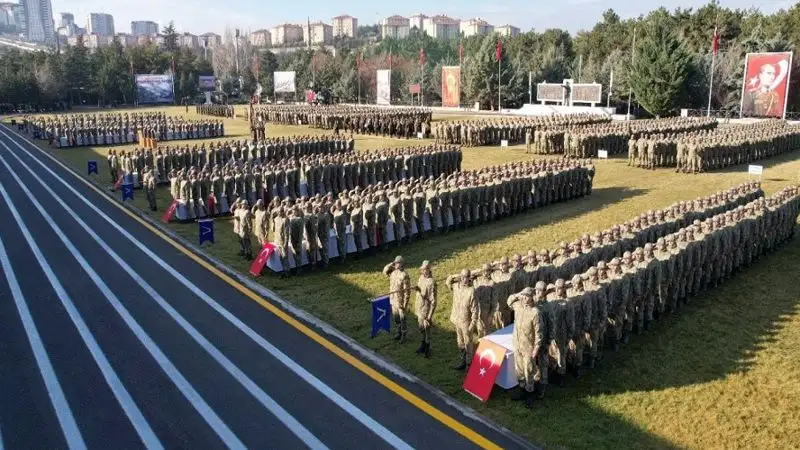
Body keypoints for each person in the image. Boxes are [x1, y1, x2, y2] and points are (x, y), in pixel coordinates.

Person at [447, 269, 479, 371]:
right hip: (457, 319)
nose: (465, 279)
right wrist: (454, 275)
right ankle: (463, 360)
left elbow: (475, 310)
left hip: (466, 321)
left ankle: (469, 364)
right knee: (460, 342)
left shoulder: (471, 291)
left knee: (468, 343)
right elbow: (448, 282)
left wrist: (472, 324)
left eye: (467, 277)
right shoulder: (456, 286)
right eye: (463, 277)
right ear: (461, 277)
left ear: (469, 278)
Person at [382, 256, 411, 343]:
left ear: (402, 264)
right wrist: (391, 264)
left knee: (402, 319)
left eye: (398, 263)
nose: (396, 264)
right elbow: (384, 271)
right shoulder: (393, 272)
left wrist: (405, 304)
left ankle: (404, 335)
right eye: (396, 263)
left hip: (400, 300)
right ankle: (398, 333)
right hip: (393, 299)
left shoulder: (404, 275)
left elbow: (407, 291)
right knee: (396, 318)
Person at [413, 260, 437, 358]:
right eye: (423, 269)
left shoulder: (431, 282)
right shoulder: (421, 278)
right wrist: (416, 289)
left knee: (427, 329)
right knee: (421, 328)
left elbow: (433, 301)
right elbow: (419, 291)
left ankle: (427, 348)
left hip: (426, 309)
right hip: (419, 307)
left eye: (427, 269)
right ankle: (422, 345)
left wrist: (430, 316)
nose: (425, 271)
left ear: (429, 269)